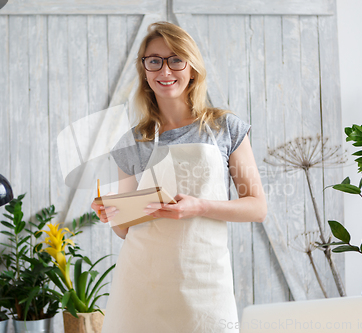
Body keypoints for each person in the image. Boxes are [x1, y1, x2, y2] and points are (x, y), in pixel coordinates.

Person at [91, 21, 267, 333]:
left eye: (176, 60)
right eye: (154, 61)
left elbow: (256, 207)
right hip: (141, 285)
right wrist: (112, 210)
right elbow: (123, 230)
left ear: (192, 68)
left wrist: (198, 207)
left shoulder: (225, 129)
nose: (165, 71)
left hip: (205, 281)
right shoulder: (132, 142)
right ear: (145, 70)